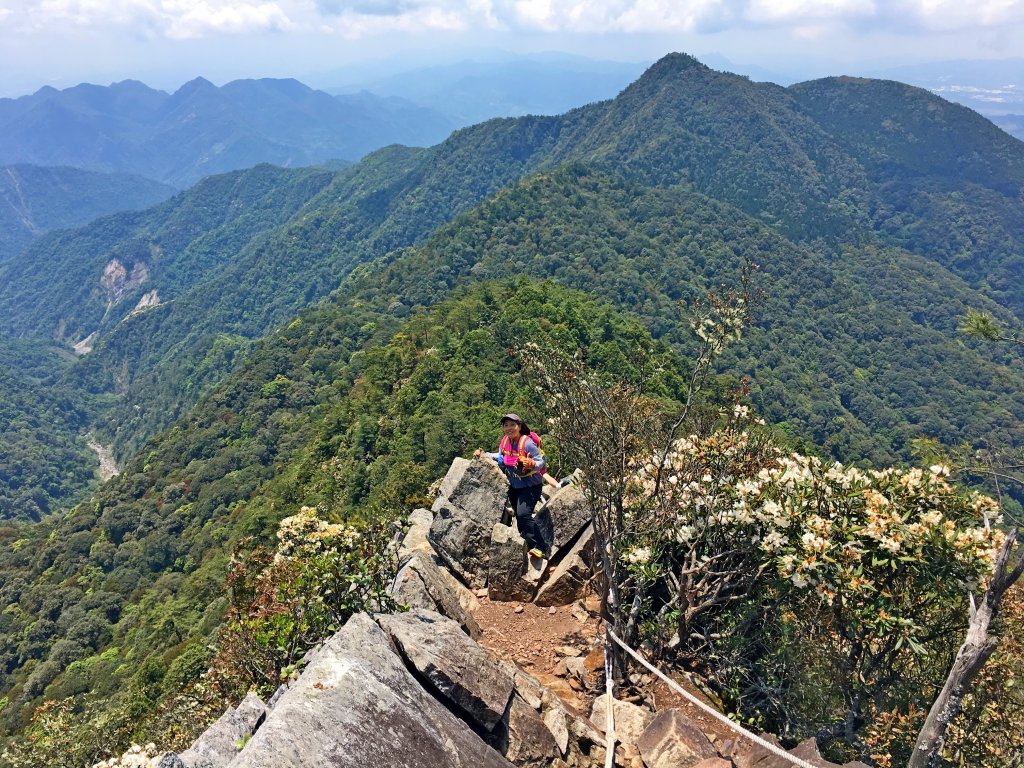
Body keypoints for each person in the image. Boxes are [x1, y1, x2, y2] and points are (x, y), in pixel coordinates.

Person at [475, 413, 548, 560]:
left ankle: (540, 547)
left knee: (523, 515)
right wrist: (484, 454)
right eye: (506, 425)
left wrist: (532, 464)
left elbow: (541, 462)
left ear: (519, 426)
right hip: (514, 486)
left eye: (512, 425)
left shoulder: (526, 443)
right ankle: (526, 543)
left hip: (531, 486)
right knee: (519, 517)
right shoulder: (505, 441)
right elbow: (501, 456)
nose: (509, 428)